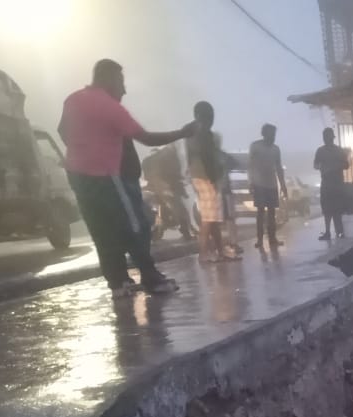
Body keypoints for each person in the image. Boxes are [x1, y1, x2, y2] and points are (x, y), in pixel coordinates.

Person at [58, 59, 195, 297]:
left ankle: (119, 283)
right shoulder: (110, 107)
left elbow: (62, 130)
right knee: (136, 226)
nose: (124, 89)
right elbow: (146, 138)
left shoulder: (73, 100)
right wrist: (183, 132)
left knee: (102, 230)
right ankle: (151, 278)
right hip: (107, 177)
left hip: (78, 177)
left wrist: (82, 150)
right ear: (109, 79)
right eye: (121, 82)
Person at [186, 101, 237, 264]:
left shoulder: (190, 131)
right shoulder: (202, 132)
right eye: (211, 115)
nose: (212, 119)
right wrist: (213, 179)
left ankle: (220, 251)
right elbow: (207, 157)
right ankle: (204, 254)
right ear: (203, 116)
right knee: (208, 218)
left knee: (213, 217)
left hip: (199, 175)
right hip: (206, 177)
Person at [249, 123, 286, 251]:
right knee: (260, 213)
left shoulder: (276, 149)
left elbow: (279, 168)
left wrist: (283, 186)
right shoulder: (255, 147)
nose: (273, 137)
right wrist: (251, 182)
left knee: (271, 213)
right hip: (259, 184)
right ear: (264, 134)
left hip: (271, 184)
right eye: (270, 134)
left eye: (274, 135)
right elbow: (250, 166)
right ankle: (259, 239)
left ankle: (272, 238)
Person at [314, 127, 349, 241]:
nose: (327, 139)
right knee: (328, 209)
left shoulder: (338, 150)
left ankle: (339, 231)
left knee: (336, 208)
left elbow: (346, 165)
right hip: (328, 183)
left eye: (328, 137)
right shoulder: (321, 151)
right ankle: (331, 232)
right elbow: (315, 165)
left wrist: (334, 167)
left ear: (331, 138)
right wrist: (323, 167)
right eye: (326, 137)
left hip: (336, 183)